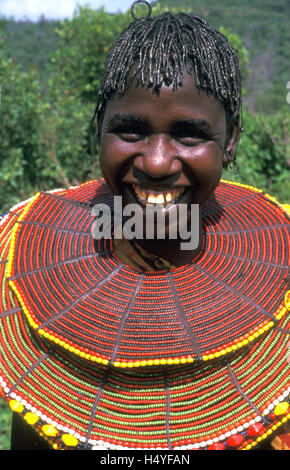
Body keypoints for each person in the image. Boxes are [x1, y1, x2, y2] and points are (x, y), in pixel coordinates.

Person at [0, 1, 289, 451]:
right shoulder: (18, 256)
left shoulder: (282, 267)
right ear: (99, 129)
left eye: (189, 134)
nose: (156, 163)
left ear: (230, 140)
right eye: (130, 130)